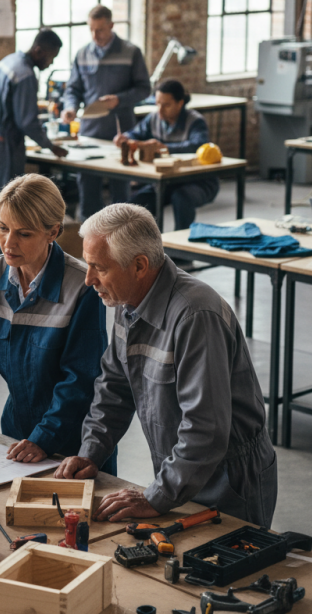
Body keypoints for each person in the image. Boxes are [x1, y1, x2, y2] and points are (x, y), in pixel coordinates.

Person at [56, 204, 277, 528]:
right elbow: (115, 386)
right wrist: (91, 452)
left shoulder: (196, 316)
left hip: (228, 479)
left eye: (98, 268)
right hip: (181, 467)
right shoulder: (127, 299)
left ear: (140, 265)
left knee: (226, 571)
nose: (89, 280)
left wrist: (155, 497)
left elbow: (206, 428)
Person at [0, 175, 115, 470]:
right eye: (3, 228)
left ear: (53, 231)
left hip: (74, 441)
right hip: (17, 432)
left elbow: (80, 378)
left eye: (23, 233)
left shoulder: (81, 287)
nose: (8, 243)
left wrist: (44, 438)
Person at [0, 29, 69, 259]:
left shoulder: (8, 61)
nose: (51, 64)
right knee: (10, 206)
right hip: (5, 145)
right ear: (39, 51)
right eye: (51, 57)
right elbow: (27, 121)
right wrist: (51, 145)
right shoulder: (26, 74)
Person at [60, 5, 151, 220]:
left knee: (121, 195)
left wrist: (119, 100)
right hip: (90, 132)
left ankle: (121, 246)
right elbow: (73, 89)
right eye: (91, 30)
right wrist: (70, 107)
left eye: (100, 30)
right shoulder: (82, 53)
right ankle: (90, 247)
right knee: (88, 192)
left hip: (120, 134)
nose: (95, 35)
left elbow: (144, 89)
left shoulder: (131, 52)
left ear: (111, 25)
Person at [114, 79, 218, 230]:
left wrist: (165, 148)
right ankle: (151, 246)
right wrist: (125, 138)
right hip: (167, 180)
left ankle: (181, 249)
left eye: (166, 105)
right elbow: (135, 133)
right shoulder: (154, 118)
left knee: (181, 198)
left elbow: (198, 146)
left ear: (180, 103)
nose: (160, 110)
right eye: (157, 104)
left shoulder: (195, 121)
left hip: (198, 181)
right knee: (137, 203)